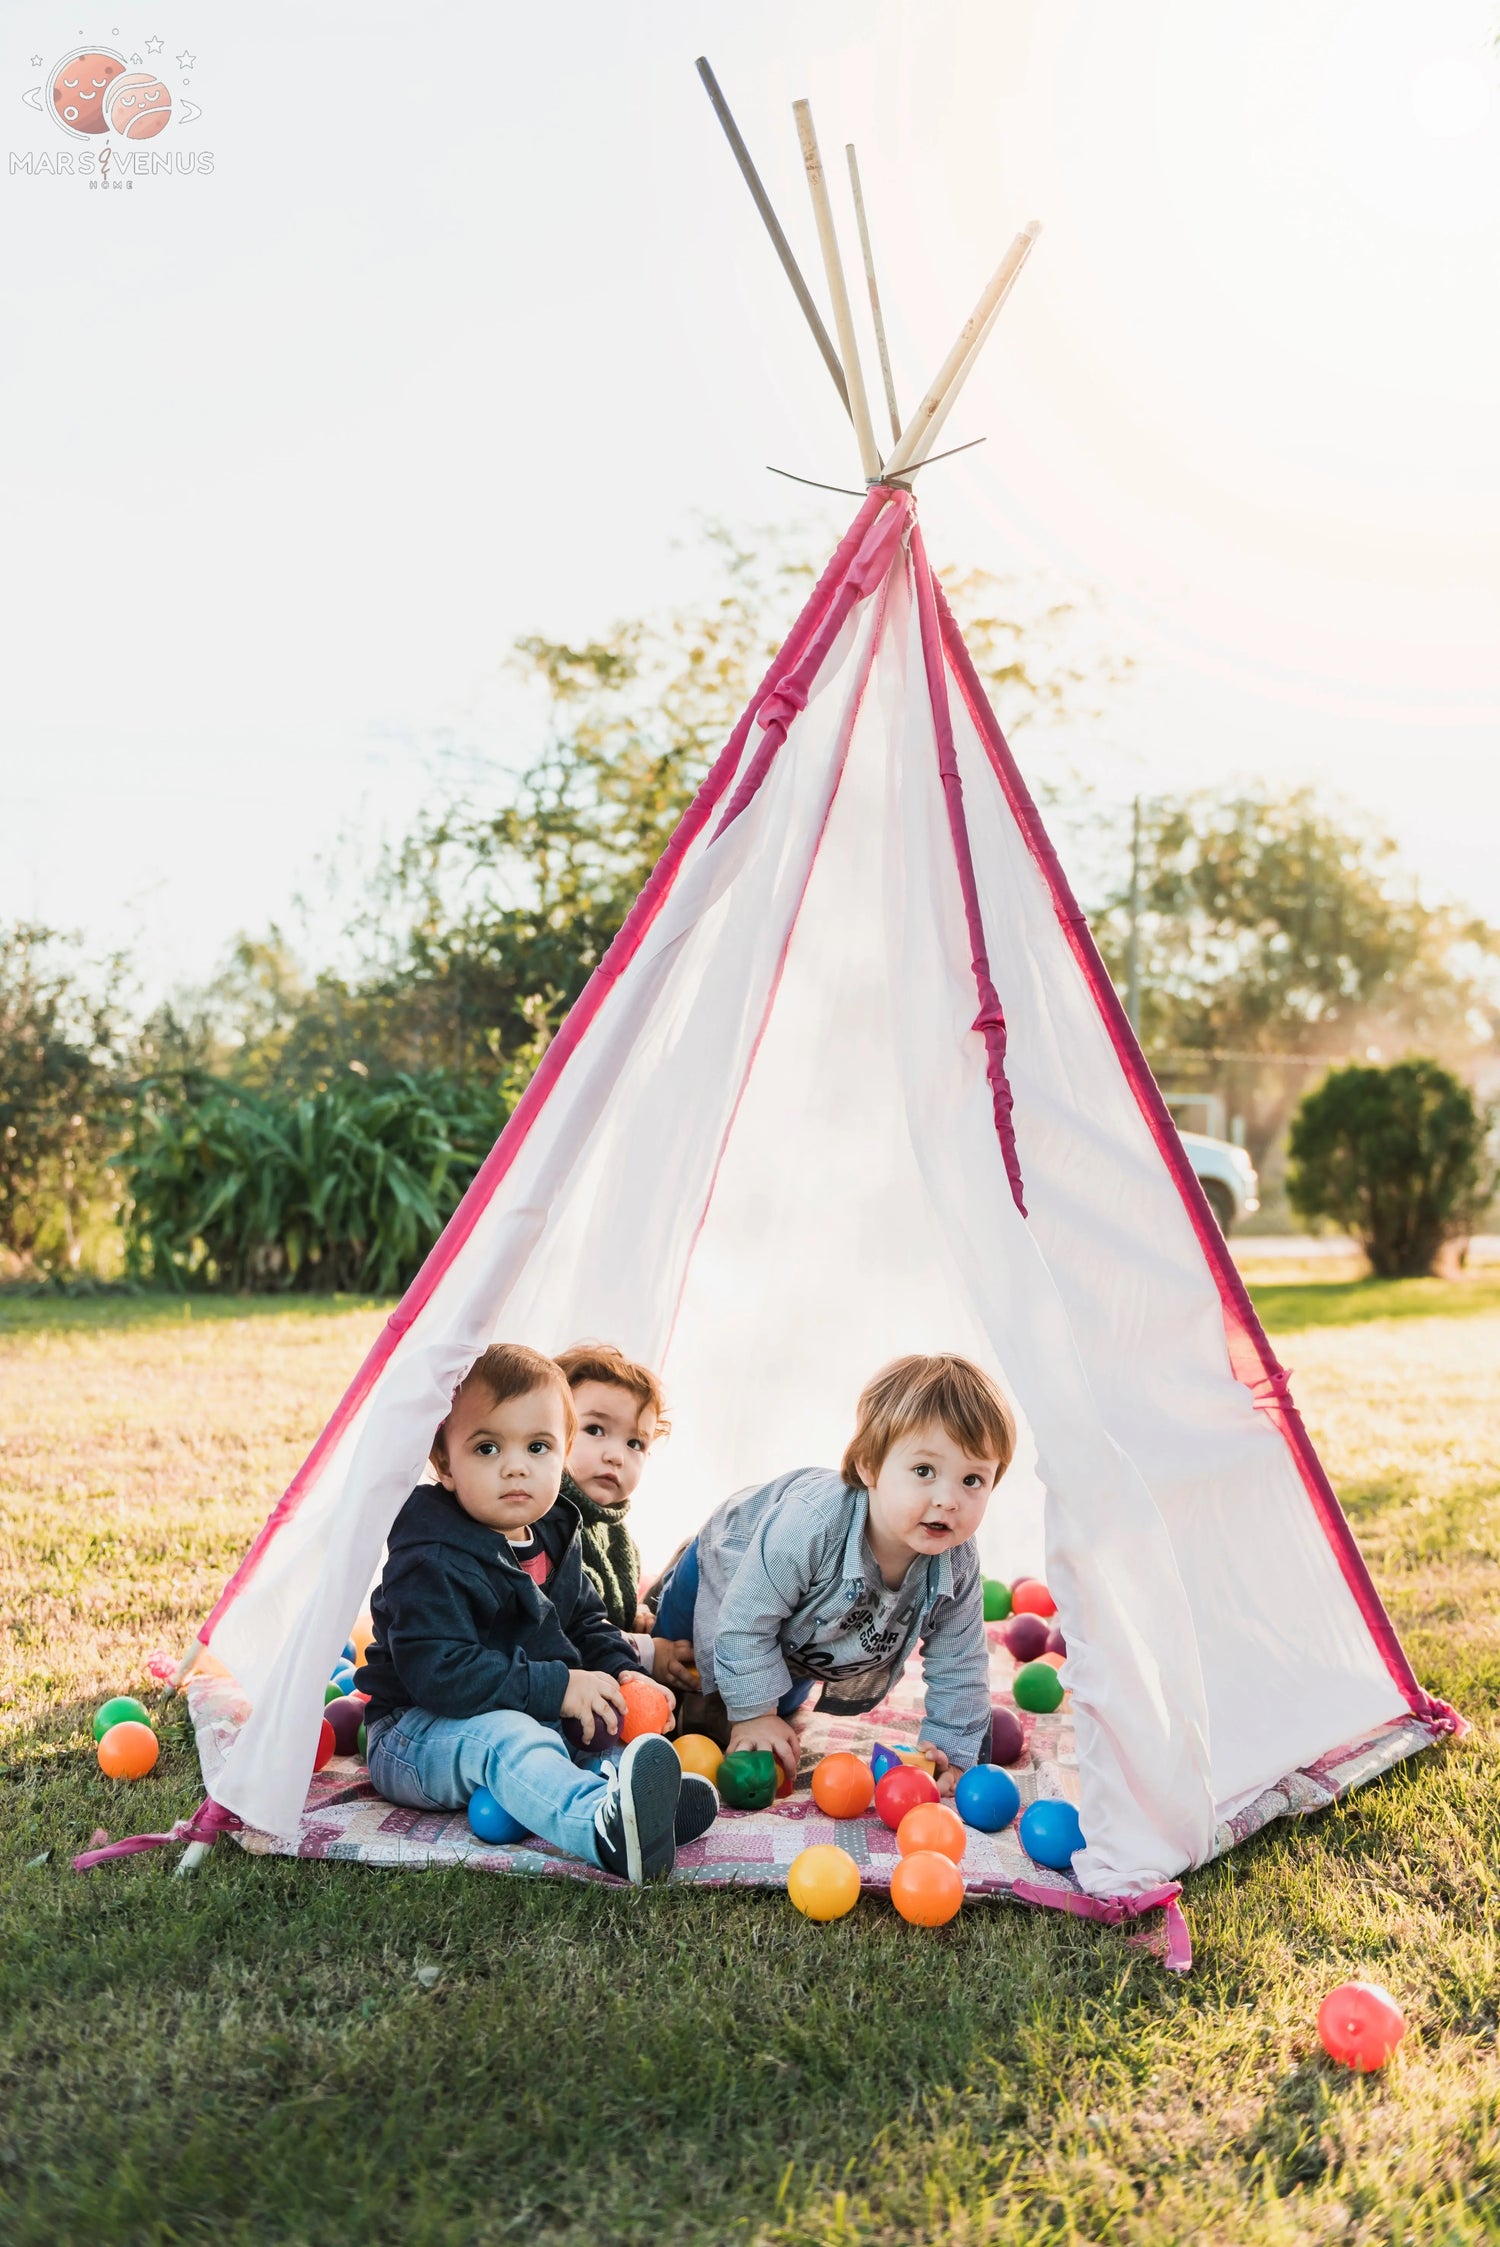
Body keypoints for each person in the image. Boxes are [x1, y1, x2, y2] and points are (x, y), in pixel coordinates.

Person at [356, 1342, 717, 1883]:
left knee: (590, 1729)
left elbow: (584, 1622)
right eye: (486, 1449)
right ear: (443, 1463)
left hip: (519, 1708)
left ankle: (637, 1802)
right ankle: (599, 1828)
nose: (516, 1468)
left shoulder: (553, 1534)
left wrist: (623, 1673)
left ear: (564, 1450)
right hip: (416, 1732)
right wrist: (558, 1687)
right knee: (513, 1739)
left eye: (539, 1447)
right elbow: (440, 1674)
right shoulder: (431, 1555)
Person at [652, 1354, 1015, 1792]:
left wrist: (952, 1751)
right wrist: (754, 1716)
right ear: (868, 1465)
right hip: (723, 1577)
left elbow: (961, 1659)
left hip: (809, 1638)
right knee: (671, 1692)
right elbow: (745, 1619)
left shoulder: (957, 1559)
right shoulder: (812, 1522)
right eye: (924, 1471)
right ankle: (662, 1590)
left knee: (768, 1713)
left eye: (973, 1480)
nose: (949, 1499)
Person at [553, 1341, 696, 1691]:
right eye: (595, 1430)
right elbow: (566, 1631)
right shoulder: (546, 1521)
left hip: (612, 1655)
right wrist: (648, 1651)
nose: (617, 1456)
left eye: (635, 1444)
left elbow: (606, 1606)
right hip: (577, 1675)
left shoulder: (617, 1537)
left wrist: (632, 1616)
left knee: (697, 1554)